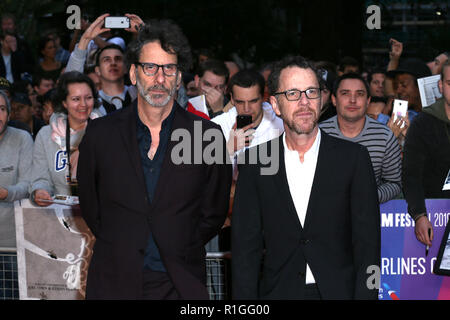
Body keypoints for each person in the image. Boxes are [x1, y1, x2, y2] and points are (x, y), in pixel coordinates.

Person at [77, 19, 231, 300]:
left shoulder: (206, 136)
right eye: (150, 68)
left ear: (179, 76)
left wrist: (179, 241)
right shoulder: (101, 134)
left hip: (180, 284)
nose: (160, 79)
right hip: (113, 282)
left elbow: (214, 212)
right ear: (134, 74)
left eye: (169, 69)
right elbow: (91, 206)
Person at [232, 55, 380, 300]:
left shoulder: (353, 159)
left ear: (322, 100)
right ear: (275, 105)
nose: (304, 102)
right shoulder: (255, 163)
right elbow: (245, 251)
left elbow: (368, 246)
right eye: (292, 93)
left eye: (311, 92)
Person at [320, 73, 402, 203]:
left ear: (368, 101)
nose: (353, 100)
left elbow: (394, 183)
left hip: (368, 215)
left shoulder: (384, 137)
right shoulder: (318, 135)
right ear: (334, 99)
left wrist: (369, 196)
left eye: (359, 94)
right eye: (345, 93)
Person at [29, 71, 102, 207]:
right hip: (60, 214)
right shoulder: (46, 135)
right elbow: (40, 178)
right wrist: (40, 191)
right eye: (75, 99)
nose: (83, 104)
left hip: (100, 211)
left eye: (88, 98)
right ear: (64, 102)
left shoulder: (106, 132)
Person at [402, 61, 450, 247]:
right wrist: (420, 215)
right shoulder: (423, 124)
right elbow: (411, 175)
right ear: (440, 86)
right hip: (435, 213)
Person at [212, 69, 284, 178]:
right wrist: (230, 149)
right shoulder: (217, 126)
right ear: (231, 98)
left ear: (264, 97)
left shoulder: (281, 126)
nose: (246, 109)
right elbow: (206, 176)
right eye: (240, 102)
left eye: (253, 101)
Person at [65, 14, 138, 114]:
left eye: (118, 59)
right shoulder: (90, 101)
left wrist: (144, 31)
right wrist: (85, 38)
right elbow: (70, 81)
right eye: (106, 60)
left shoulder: (138, 94)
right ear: (97, 70)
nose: (113, 63)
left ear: (126, 68)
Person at [0, 90, 33, 248]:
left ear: (9, 113)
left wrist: (6, 193)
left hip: (13, 238)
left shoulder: (22, 138)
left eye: (2, 109)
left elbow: (28, 184)